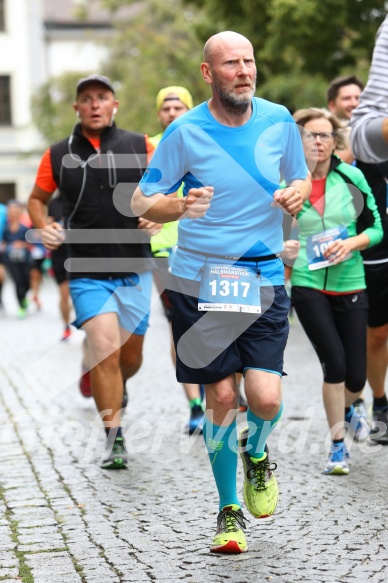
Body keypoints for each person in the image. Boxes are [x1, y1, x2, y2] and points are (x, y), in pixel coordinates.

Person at [132, 31, 311, 554]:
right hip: (200, 277)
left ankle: (257, 452)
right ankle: (229, 510)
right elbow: (145, 201)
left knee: (266, 396)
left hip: (263, 275)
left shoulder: (279, 120)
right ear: (208, 74)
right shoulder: (185, 131)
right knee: (223, 396)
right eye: (231, 63)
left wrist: (295, 194)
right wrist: (181, 207)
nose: (244, 71)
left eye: (249, 61)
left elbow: (299, 179)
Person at [28, 74, 156, 470]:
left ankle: (120, 386)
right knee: (104, 350)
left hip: (135, 266)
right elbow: (37, 199)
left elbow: (169, 188)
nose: (95, 104)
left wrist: (158, 216)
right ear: (77, 108)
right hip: (85, 267)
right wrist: (44, 224)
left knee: (130, 357)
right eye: (87, 99)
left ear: (114, 104)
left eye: (102, 97)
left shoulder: (141, 145)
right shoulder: (56, 154)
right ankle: (113, 439)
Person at [285, 108, 382, 475]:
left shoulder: (351, 176)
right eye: (311, 135)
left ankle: (348, 407)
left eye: (326, 135)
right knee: (335, 365)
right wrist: (285, 249)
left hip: (351, 282)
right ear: (300, 141)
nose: (319, 142)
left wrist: (354, 243)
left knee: (356, 377)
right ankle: (338, 446)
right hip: (309, 285)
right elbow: (273, 234)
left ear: (334, 141)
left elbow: (376, 226)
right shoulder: (290, 184)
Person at [327, 75, 388, 445]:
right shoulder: (340, 145)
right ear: (333, 105)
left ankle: (371, 401)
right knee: (370, 335)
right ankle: (367, 400)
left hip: (381, 244)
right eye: (347, 98)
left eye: (359, 96)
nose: (354, 101)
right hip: (358, 252)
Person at [146, 86, 205, 434]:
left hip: (205, 247)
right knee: (179, 323)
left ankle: (226, 385)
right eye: (165, 107)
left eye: (178, 106)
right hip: (164, 249)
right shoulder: (148, 147)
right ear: (159, 114)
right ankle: (195, 402)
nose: (172, 112)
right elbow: (133, 193)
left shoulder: (207, 140)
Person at [47, 192, 73, 342]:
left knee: (77, 293)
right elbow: (47, 225)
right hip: (59, 254)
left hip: (77, 252)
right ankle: (66, 326)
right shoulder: (53, 203)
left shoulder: (79, 197)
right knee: (64, 295)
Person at [1, 200, 31, 318]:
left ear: (19, 212)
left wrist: (22, 244)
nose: (13, 213)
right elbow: (4, 242)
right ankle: (21, 306)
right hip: (11, 260)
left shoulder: (24, 228)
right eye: (11, 211)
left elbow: (30, 243)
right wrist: (6, 246)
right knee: (17, 282)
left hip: (24, 260)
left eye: (15, 211)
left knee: (26, 282)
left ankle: (24, 298)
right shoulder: (6, 229)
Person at [327, 75, 364, 164]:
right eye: (347, 98)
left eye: (358, 98)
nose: (354, 103)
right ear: (332, 106)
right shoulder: (324, 135)